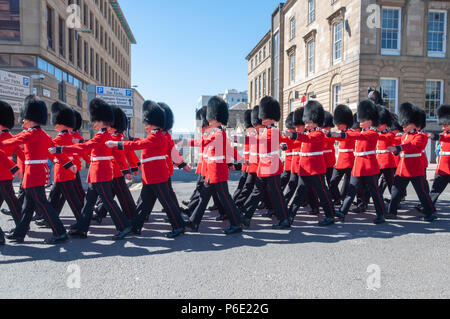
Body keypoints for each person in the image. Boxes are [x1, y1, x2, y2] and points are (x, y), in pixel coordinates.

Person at [50, 98, 132, 240]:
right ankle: (82, 229)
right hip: (97, 173)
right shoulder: (104, 135)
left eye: (94, 120)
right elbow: (88, 144)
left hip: (100, 172)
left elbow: (85, 147)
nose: (93, 122)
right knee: (88, 203)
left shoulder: (102, 135)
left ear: (101, 121)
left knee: (107, 200)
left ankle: (123, 226)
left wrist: (61, 148)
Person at [106, 101, 187, 238]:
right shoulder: (157, 134)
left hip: (156, 175)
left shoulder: (157, 135)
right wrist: (128, 140)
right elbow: (140, 141)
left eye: (146, 122)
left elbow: (139, 144)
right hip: (151, 176)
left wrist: (117, 143)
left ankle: (179, 226)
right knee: (143, 204)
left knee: (167, 202)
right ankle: (136, 227)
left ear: (152, 122)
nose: (145, 125)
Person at [2, 95, 75, 244]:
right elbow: (55, 151)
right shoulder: (44, 135)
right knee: (28, 207)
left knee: (43, 204)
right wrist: (68, 164)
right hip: (38, 172)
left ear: (30, 118)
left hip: (33, 173)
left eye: (24, 118)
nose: (22, 121)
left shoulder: (29, 134)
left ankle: (60, 232)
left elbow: (10, 142)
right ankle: (19, 233)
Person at [185, 97, 243, 234]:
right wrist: (240, 159)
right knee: (204, 197)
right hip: (212, 170)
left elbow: (203, 142)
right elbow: (229, 149)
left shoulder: (217, 133)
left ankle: (236, 223)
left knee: (225, 198)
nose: (208, 119)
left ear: (215, 117)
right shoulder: (216, 132)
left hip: (217, 170)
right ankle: (194, 222)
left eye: (210, 117)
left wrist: (186, 142)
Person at [332, 100, 387, 224]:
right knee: (351, 191)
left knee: (375, 192)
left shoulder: (372, 132)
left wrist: (343, 135)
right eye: (360, 120)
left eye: (363, 120)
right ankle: (342, 211)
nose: (360, 122)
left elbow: (358, 137)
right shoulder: (362, 132)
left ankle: (381, 214)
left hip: (368, 165)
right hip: (358, 165)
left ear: (370, 120)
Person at [240, 97, 290, 229]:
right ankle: (246, 216)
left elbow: (258, 140)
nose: (261, 119)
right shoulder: (267, 130)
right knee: (257, 191)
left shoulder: (272, 131)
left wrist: (241, 137)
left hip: (271, 166)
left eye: (264, 116)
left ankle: (284, 219)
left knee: (276, 194)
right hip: (264, 165)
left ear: (271, 118)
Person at [285, 101, 337, 226]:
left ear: (315, 121)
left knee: (323, 193)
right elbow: (302, 141)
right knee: (299, 194)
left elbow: (308, 139)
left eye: (308, 122)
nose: (306, 123)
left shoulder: (319, 133)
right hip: (305, 169)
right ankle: (290, 216)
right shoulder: (307, 133)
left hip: (315, 169)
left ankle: (330, 216)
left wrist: (293, 135)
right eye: (306, 121)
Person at [385, 102, 437, 222]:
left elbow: (411, 146)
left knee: (422, 193)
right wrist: (395, 150)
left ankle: (431, 212)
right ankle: (392, 212)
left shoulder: (421, 136)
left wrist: (398, 148)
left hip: (414, 169)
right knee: (395, 190)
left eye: (406, 124)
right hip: (402, 168)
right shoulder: (405, 135)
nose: (403, 126)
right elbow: (402, 146)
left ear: (414, 124)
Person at [94, 106, 138, 222]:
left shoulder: (113, 138)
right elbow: (130, 153)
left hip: (114, 170)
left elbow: (119, 156)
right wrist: (133, 166)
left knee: (118, 193)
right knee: (111, 193)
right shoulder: (119, 137)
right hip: (116, 170)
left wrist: (127, 170)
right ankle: (101, 212)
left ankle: (130, 213)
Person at [45, 102, 84, 227]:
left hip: (62, 170)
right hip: (66, 170)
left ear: (61, 124)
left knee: (72, 199)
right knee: (54, 196)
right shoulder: (70, 138)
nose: (54, 125)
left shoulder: (59, 139)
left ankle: (82, 222)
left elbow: (51, 154)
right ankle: (49, 218)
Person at [0, 100, 24, 243]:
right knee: (12, 201)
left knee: (12, 201)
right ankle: (22, 225)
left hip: (2, 172)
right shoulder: (11, 137)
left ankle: (21, 226)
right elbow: (21, 153)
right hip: (7, 173)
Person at [328, 104, 354, 207]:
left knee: (348, 184)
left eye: (339, 124)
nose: (337, 126)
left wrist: (337, 135)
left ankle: (345, 201)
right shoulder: (340, 132)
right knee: (333, 182)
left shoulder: (350, 132)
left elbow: (345, 137)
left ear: (346, 123)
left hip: (350, 161)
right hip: (340, 162)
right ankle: (338, 199)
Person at [426, 104, 450, 207]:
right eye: (442, 124)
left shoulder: (445, 135)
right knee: (435, 189)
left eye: (445, 124)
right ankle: (427, 207)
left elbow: (444, 138)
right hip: (443, 168)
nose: (443, 126)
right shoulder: (444, 133)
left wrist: (434, 136)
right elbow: (441, 137)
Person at [375, 107, 396, 200]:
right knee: (372, 182)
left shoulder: (390, 134)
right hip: (378, 162)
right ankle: (364, 202)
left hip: (387, 162)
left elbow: (384, 138)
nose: (378, 126)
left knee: (391, 184)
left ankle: (395, 201)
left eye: (379, 124)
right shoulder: (378, 133)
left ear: (385, 124)